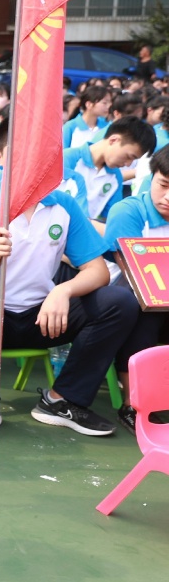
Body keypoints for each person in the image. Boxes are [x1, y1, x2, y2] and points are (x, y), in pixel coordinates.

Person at [0, 120, 138, 441]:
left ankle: (63, 400)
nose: (30, 164)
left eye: (40, 156)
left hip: (43, 320)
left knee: (118, 302)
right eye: (19, 155)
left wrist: (63, 290)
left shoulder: (63, 205)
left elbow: (99, 271)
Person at [104, 146, 169, 433]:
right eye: (163, 185)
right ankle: (134, 404)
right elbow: (135, 277)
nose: (167, 198)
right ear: (151, 176)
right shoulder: (129, 212)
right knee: (143, 307)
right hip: (122, 299)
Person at [63, 116, 155, 223]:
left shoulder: (115, 177)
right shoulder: (68, 159)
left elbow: (110, 218)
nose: (128, 164)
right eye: (129, 156)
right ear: (114, 140)